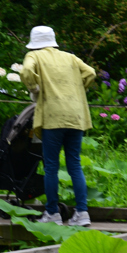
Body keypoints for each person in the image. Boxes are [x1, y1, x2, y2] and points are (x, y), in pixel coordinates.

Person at [20, 25, 96, 226]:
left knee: (51, 166)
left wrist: (34, 87)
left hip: (53, 116)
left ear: (35, 43)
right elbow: (91, 72)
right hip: (75, 115)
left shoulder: (34, 57)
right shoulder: (70, 57)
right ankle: (82, 213)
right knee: (75, 164)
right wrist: (77, 89)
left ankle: (52, 213)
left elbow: (27, 71)